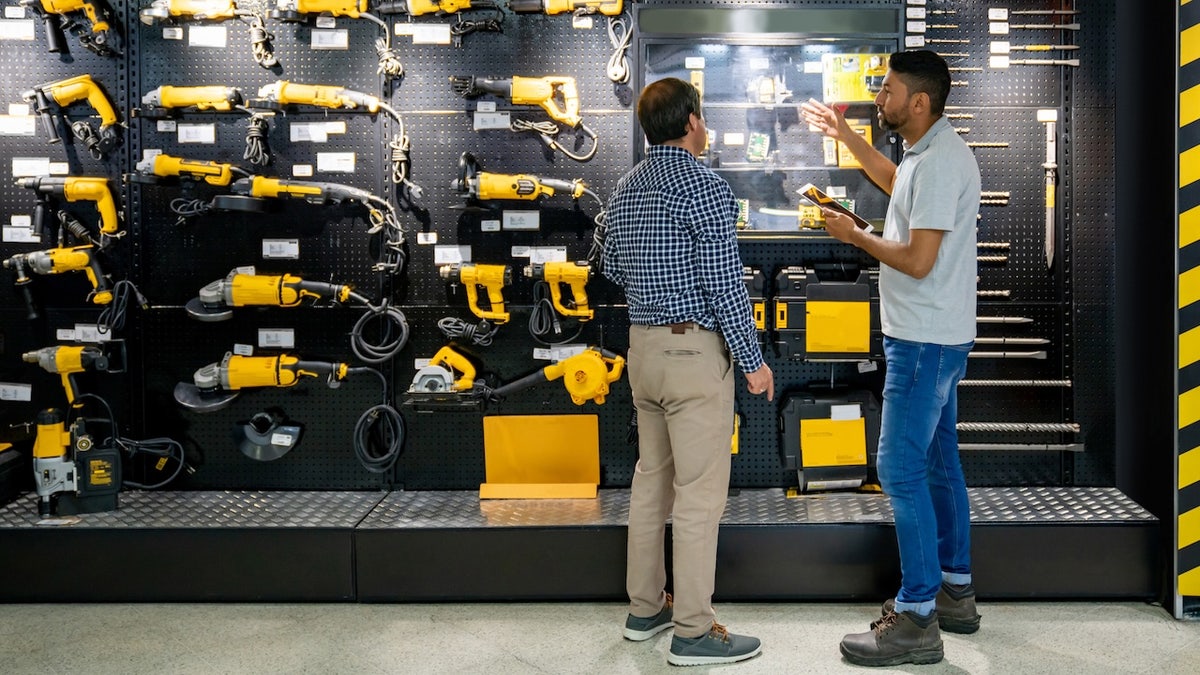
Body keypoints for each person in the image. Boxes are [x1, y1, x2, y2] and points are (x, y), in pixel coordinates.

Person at [799, 50, 981, 667]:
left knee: (900, 469)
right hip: (938, 335)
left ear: (920, 102)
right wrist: (848, 136)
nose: (880, 99)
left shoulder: (940, 162)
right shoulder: (927, 155)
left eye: (889, 91)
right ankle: (955, 592)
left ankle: (917, 617)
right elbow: (894, 183)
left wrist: (855, 237)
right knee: (936, 462)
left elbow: (918, 260)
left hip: (924, 341)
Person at [602, 76, 774, 667]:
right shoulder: (705, 187)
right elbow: (725, 285)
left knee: (652, 483)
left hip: (642, 352)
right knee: (699, 498)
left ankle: (645, 609)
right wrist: (752, 363)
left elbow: (612, 268)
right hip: (692, 354)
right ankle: (694, 632)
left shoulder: (624, 188)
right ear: (694, 121)